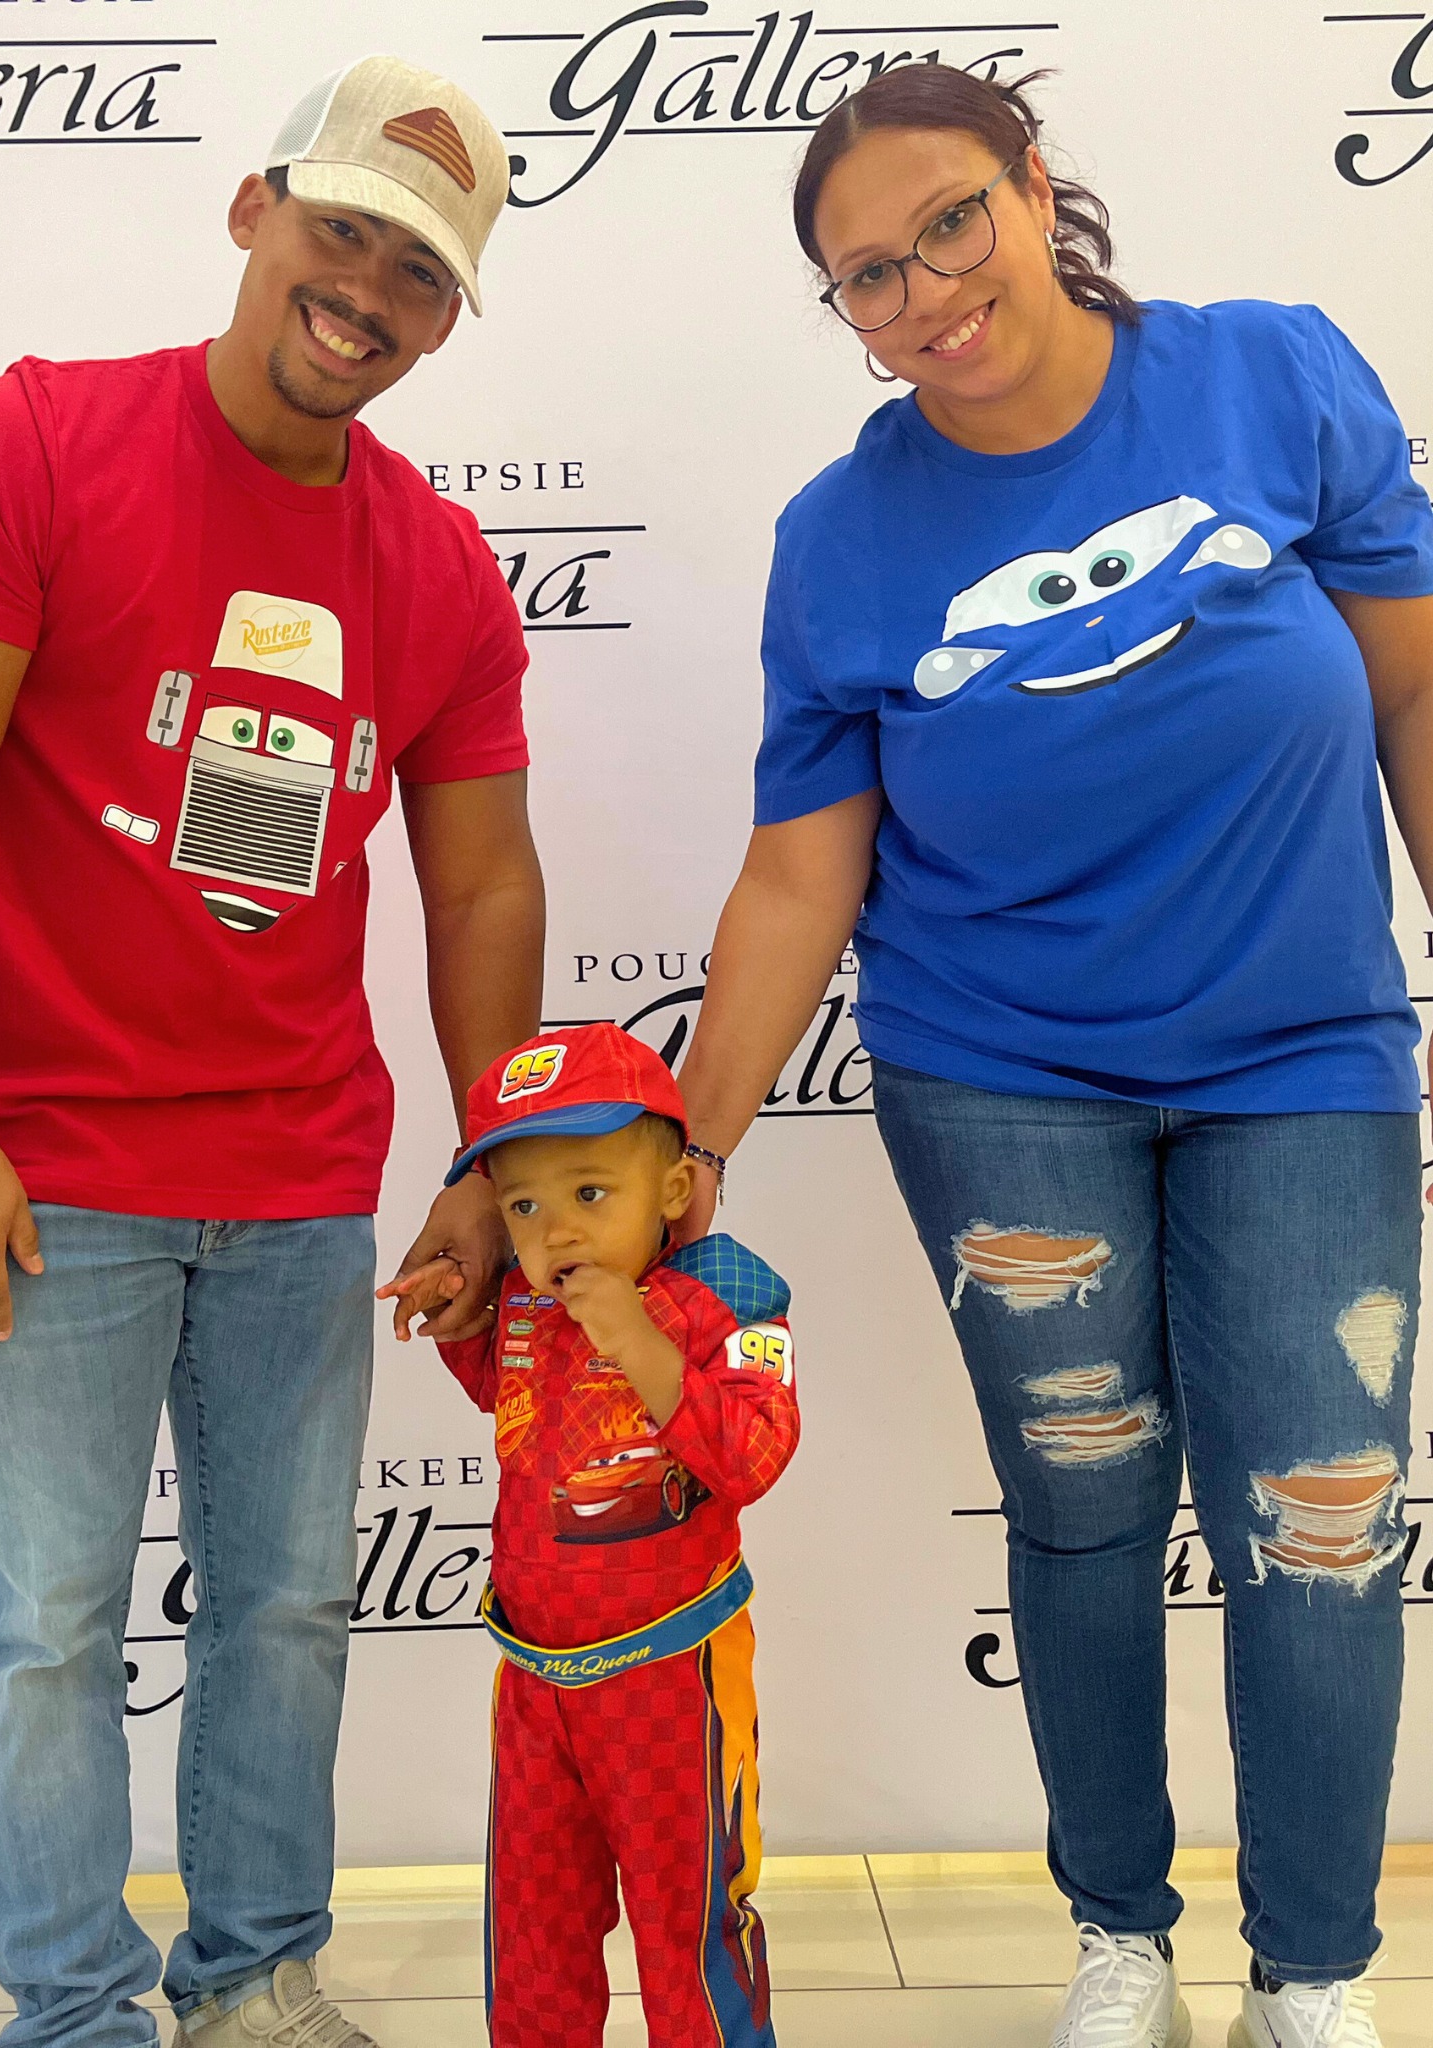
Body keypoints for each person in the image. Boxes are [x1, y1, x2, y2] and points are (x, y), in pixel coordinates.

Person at [673, 60, 1433, 2048]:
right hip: (1000, 1075)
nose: (925, 290)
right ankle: (1121, 1936)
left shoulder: (1272, 379)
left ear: (1032, 185)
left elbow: (1414, 693)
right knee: (1085, 1505)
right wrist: (690, 1143)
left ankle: (1313, 1970)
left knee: (1326, 1509)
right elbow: (797, 875)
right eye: (868, 275)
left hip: (1304, 1059)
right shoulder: (842, 538)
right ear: (844, 312)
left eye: (949, 223)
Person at [0, 54, 544, 2048]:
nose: (366, 295)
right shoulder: (21, 447)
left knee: (280, 1608)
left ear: (447, 318)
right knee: (47, 1627)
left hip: (293, 1181)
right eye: (343, 233)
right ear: (254, 211)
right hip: (44, 1174)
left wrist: (494, 1156)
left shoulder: (437, 567)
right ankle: (75, 2014)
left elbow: (485, 886)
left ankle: (254, 1979)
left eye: (418, 275)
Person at [428, 1023, 798, 2048]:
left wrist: (637, 1339)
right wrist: (461, 1321)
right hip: (535, 1681)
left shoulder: (726, 1295)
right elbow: (515, 1407)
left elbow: (754, 1456)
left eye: (590, 1192)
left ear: (673, 1191)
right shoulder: (525, 1303)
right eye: (524, 1205)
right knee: (533, 1927)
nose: (557, 1231)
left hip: (671, 1680)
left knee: (690, 1919)